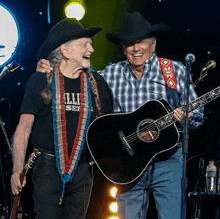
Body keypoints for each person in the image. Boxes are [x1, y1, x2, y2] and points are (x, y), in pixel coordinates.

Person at [37, 12, 204, 219]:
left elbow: (197, 113)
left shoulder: (174, 70)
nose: (135, 48)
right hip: (128, 163)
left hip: (167, 162)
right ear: (123, 48)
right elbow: (75, 78)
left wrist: (187, 117)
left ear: (153, 44)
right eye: (129, 43)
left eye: (141, 41)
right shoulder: (110, 74)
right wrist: (53, 69)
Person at [10, 18, 113, 219]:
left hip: (83, 169)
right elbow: (23, 128)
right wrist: (16, 170)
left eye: (90, 44)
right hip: (47, 168)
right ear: (65, 51)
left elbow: (107, 127)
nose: (91, 49)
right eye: (85, 44)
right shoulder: (40, 80)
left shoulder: (97, 83)